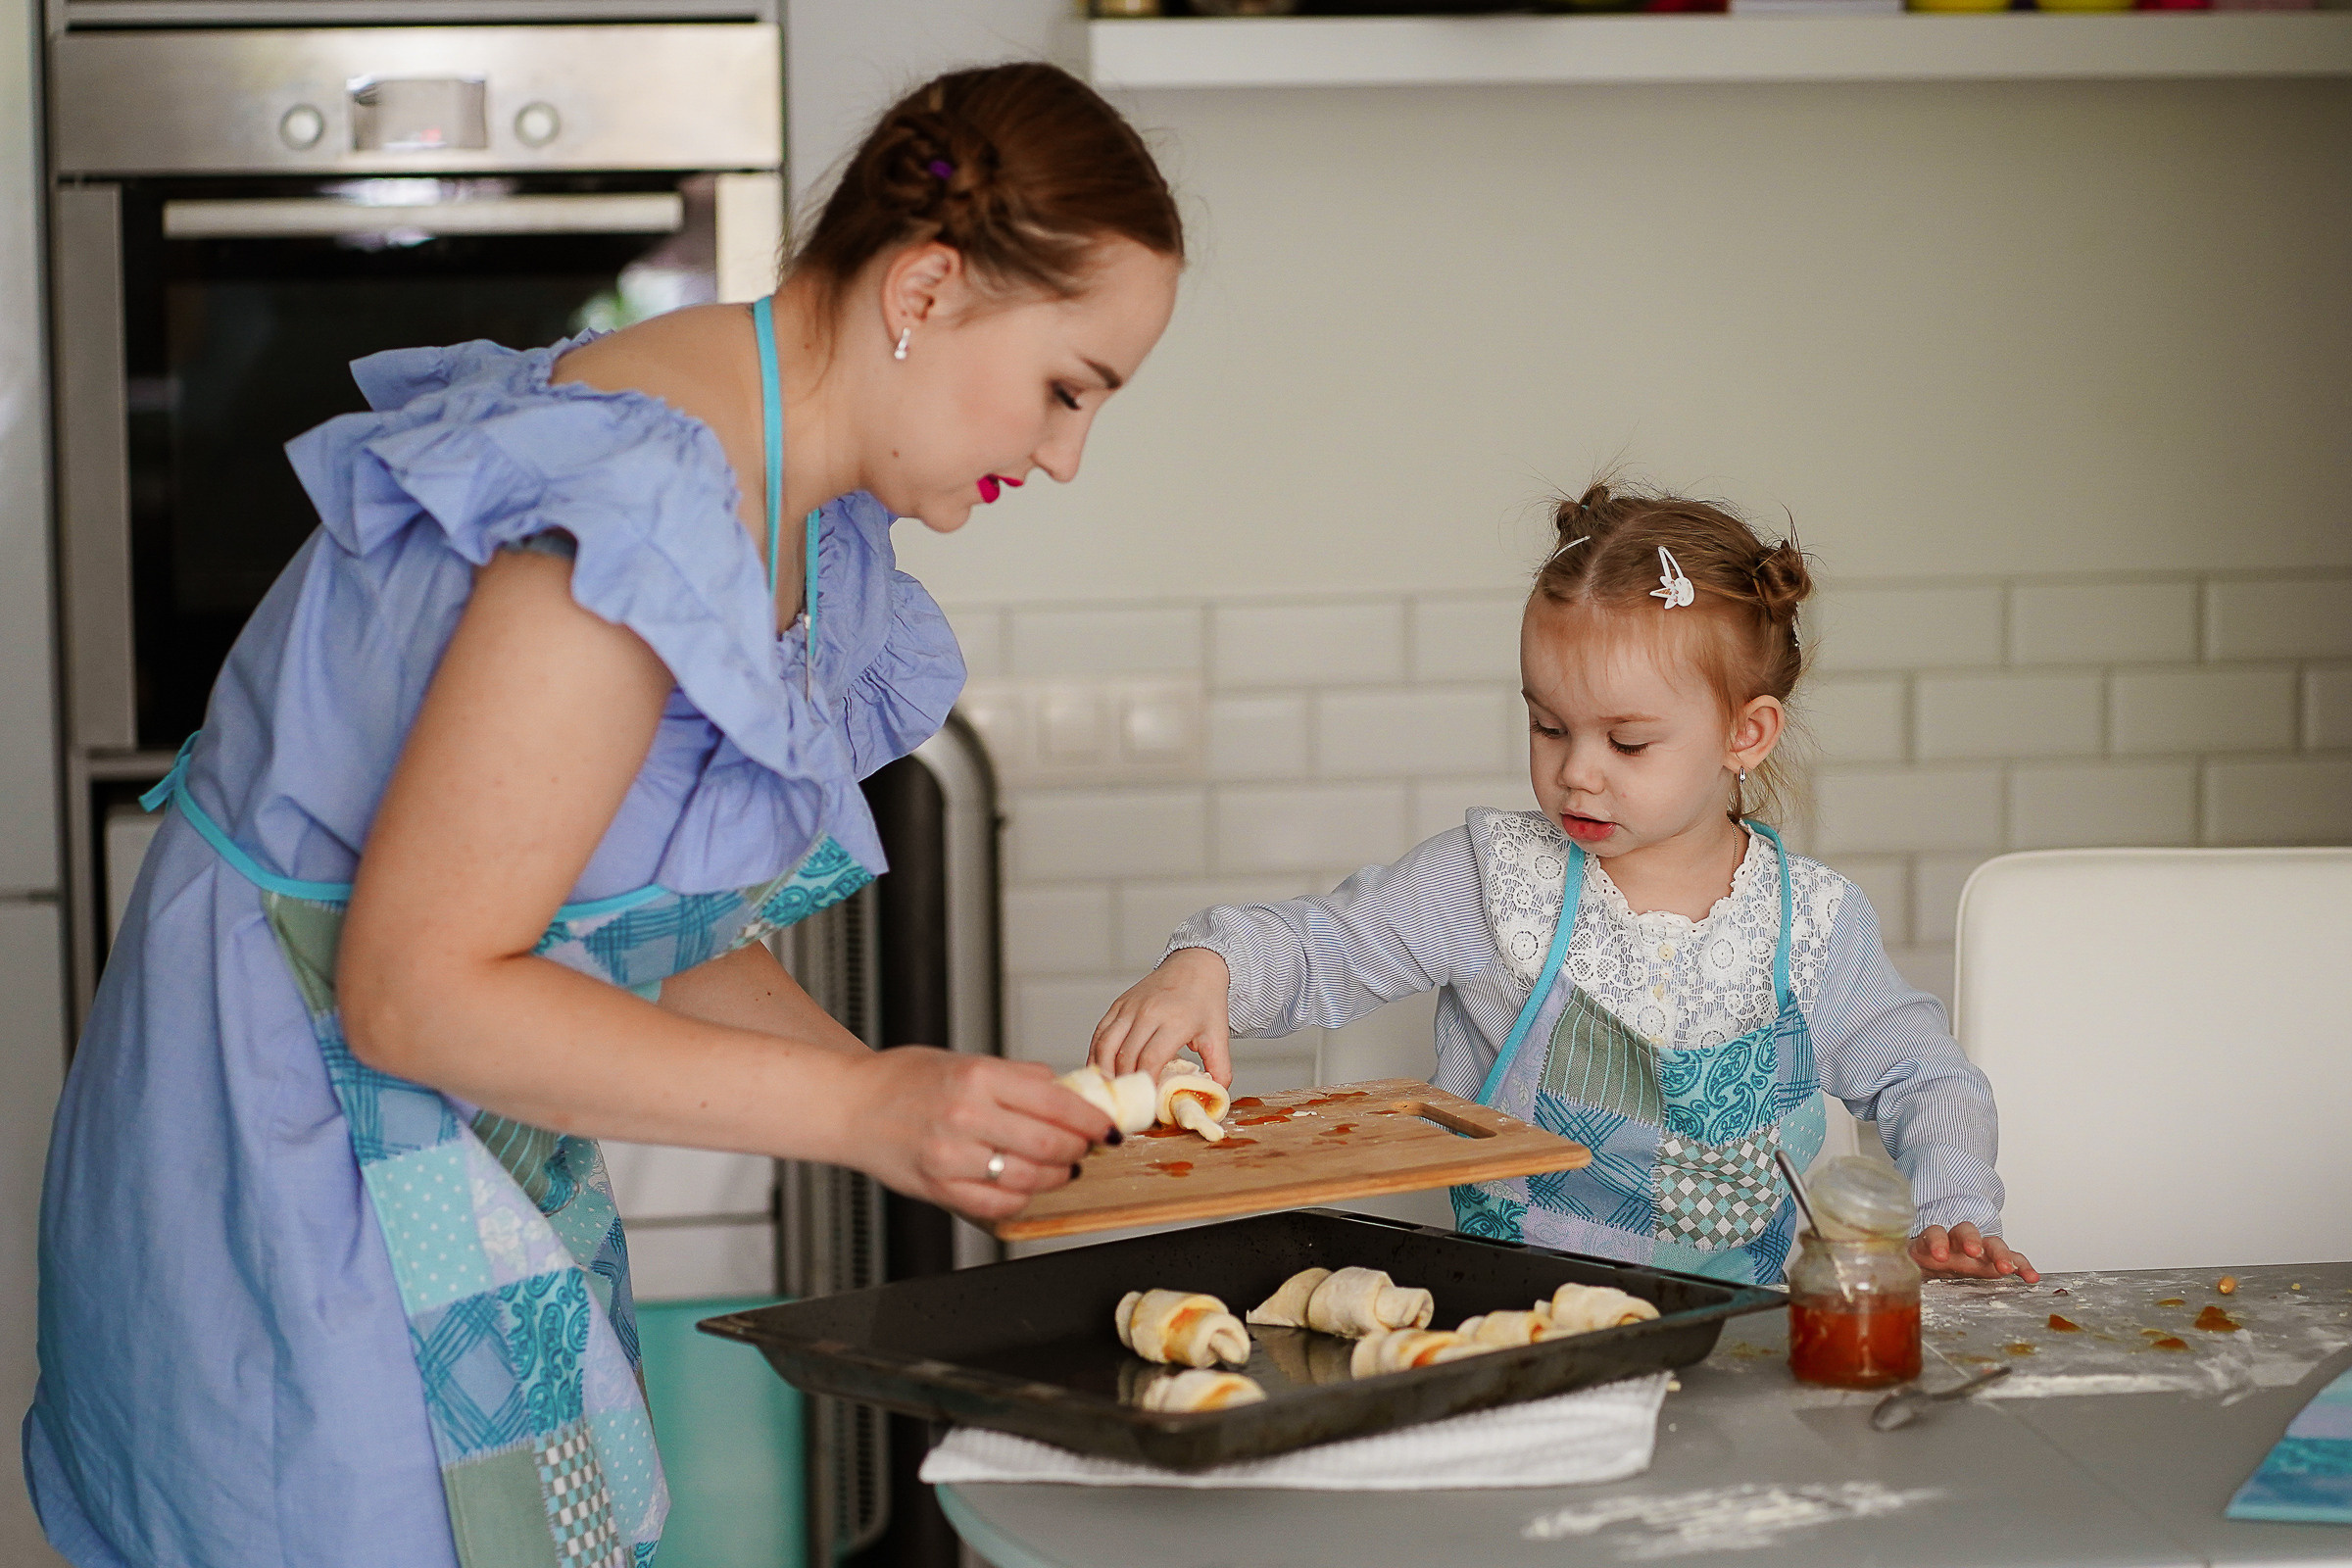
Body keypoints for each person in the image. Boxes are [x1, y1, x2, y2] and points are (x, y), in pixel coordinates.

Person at [28, 63, 1179, 1568]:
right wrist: (863, 1112)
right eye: (1067, 386)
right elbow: (412, 991)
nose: (1063, 453)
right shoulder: (636, 507)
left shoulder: (798, 505)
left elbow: (631, 925)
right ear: (929, 286)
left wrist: (927, 1111)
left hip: (442, 1147)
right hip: (295, 1162)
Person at [1090, 480, 2034, 1289]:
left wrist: (1954, 1204)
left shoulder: (1815, 926)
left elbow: (1925, 1075)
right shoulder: (1495, 882)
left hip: (1743, 1335)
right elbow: (1325, 943)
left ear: (1746, 735)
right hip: (1517, 1318)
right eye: (1549, 728)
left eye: (1626, 742)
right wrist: (1209, 963)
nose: (1579, 772)